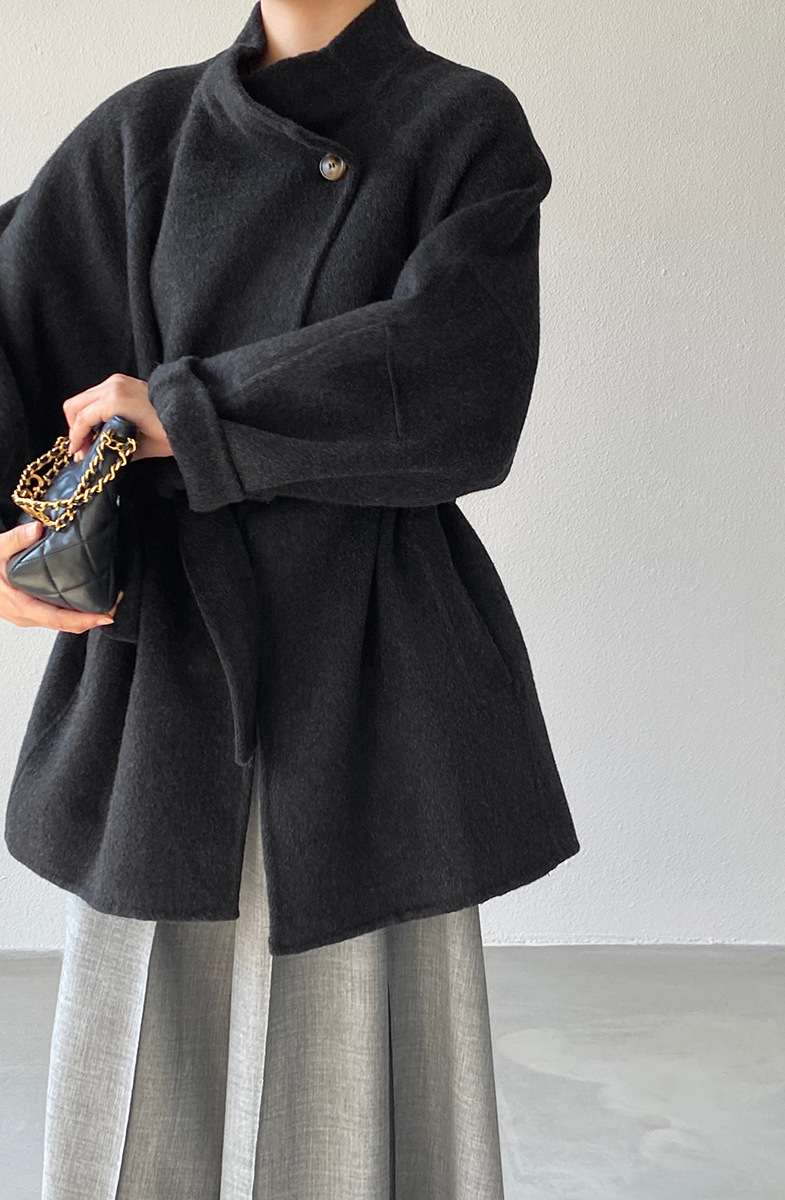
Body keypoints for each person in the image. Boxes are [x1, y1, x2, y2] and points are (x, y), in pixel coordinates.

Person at [0, 0, 581, 1195]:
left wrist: (190, 413)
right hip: (165, 670)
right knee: (136, 1087)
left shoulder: (459, 124)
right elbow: (11, 318)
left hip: (369, 665)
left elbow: (461, 378)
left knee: (361, 1086)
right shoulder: (149, 132)